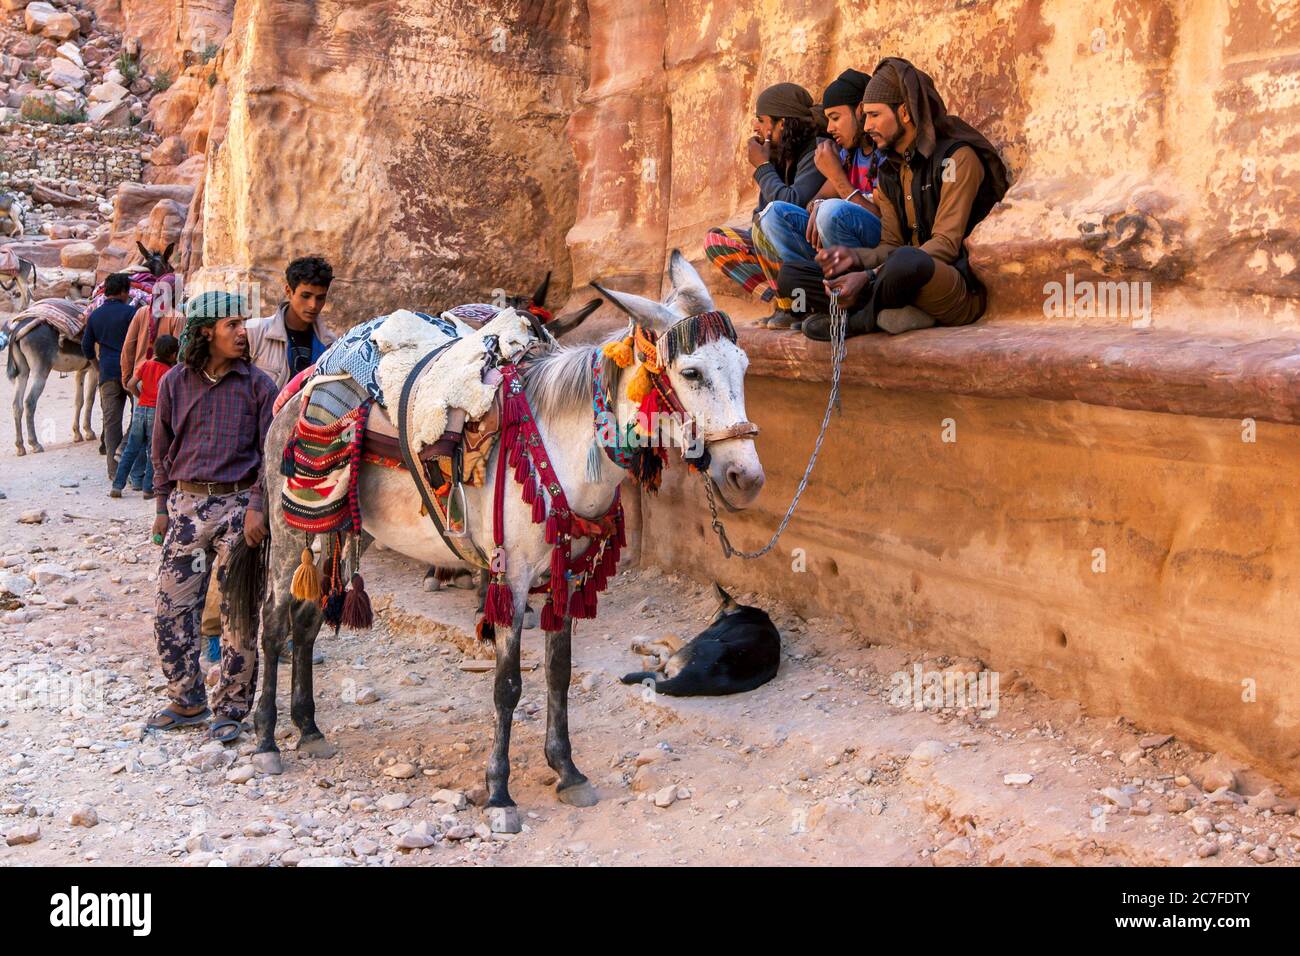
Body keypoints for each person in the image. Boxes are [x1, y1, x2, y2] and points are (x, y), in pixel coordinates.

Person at [795, 58, 1010, 341]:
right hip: (897, 276)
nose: (867, 125)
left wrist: (870, 275)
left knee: (906, 261)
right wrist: (853, 258)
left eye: (874, 115)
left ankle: (860, 322)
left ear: (905, 113)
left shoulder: (957, 159)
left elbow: (946, 245)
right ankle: (896, 314)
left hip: (953, 286)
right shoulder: (889, 170)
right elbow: (890, 245)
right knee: (795, 274)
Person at [148, 292, 277, 744]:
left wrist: (258, 507)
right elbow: (160, 449)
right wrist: (161, 506)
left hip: (240, 508)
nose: (244, 332)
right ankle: (186, 700)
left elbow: (270, 456)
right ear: (207, 332)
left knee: (238, 613)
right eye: (233, 325)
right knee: (172, 610)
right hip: (184, 507)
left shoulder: (261, 386)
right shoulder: (174, 384)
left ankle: (232, 709)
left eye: (244, 323)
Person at [753, 69, 886, 329]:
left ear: (859, 112)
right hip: (836, 251)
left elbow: (885, 220)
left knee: (831, 212)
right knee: (773, 215)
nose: (829, 128)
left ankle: (852, 299)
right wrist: (770, 165)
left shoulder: (880, 154)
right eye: (827, 119)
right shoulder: (849, 153)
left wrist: (836, 179)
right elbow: (810, 202)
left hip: (876, 253)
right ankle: (814, 300)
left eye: (835, 118)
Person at [703, 82, 826, 325]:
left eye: (761, 119)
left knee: (770, 220)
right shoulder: (782, 154)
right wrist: (771, 164)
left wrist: (762, 167)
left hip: (811, 247)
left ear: (781, 123)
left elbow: (790, 206)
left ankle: (801, 307)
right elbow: (761, 213)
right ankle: (786, 304)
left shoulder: (817, 149)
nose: (755, 126)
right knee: (717, 240)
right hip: (785, 242)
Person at [119, 274, 182, 493]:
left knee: (138, 437)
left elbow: (128, 346)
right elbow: (179, 357)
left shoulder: (140, 313)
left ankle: (135, 479)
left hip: (140, 384)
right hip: (164, 387)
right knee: (159, 439)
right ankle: (152, 484)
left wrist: (127, 378)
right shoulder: (176, 317)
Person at [245, 255, 338, 390]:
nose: (313, 305)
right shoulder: (256, 333)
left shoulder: (330, 345)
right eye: (305, 296)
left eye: (320, 298)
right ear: (289, 291)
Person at [81, 273, 136, 480]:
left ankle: (114, 473)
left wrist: (97, 367)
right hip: (131, 374)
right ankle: (124, 447)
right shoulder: (132, 313)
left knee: (111, 423)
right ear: (124, 292)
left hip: (107, 373)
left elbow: (86, 347)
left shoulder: (95, 315)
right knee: (141, 416)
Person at [109, 334, 177, 499]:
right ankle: (148, 489)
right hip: (156, 412)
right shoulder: (169, 372)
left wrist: (141, 396)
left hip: (140, 410)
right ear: (173, 354)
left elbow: (131, 384)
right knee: (154, 451)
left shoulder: (146, 365)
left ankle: (117, 486)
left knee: (131, 449)